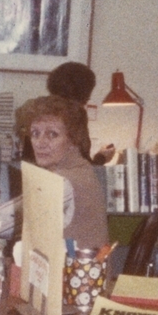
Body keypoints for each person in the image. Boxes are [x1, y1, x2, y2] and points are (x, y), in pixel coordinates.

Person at [16, 94, 109, 251]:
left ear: (74, 140)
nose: (40, 143)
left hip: (73, 274)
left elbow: (8, 220)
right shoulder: (81, 169)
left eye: (52, 134)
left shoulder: (63, 180)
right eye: (35, 133)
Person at [20, 62, 115, 164]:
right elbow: (82, 168)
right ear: (83, 90)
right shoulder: (74, 114)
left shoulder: (36, 109)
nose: (89, 97)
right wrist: (102, 157)